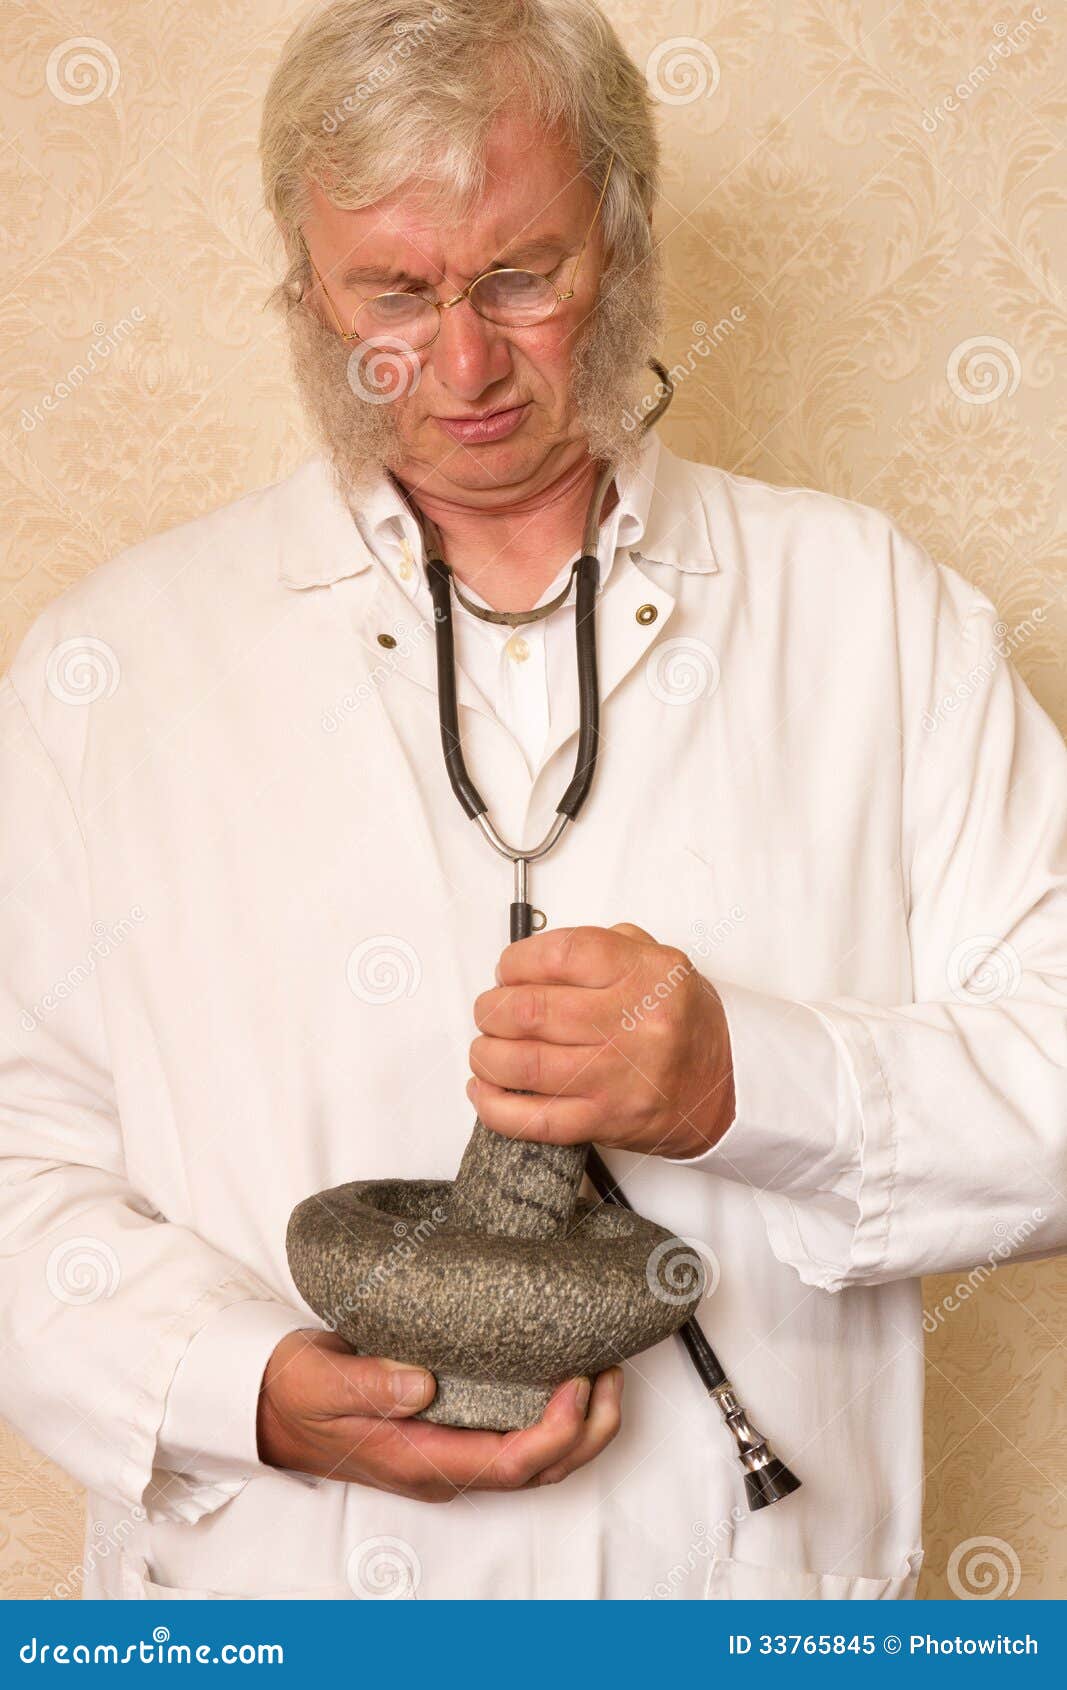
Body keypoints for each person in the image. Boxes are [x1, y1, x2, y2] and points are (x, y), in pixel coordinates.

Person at [1, 0, 1064, 1602]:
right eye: (393, 292)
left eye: (520, 275)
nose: (462, 361)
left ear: (622, 243)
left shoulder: (871, 615)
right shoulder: (112, 668)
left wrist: (748, 1079)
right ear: (303, 285)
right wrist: (243, 1388)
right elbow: (17, 1161)